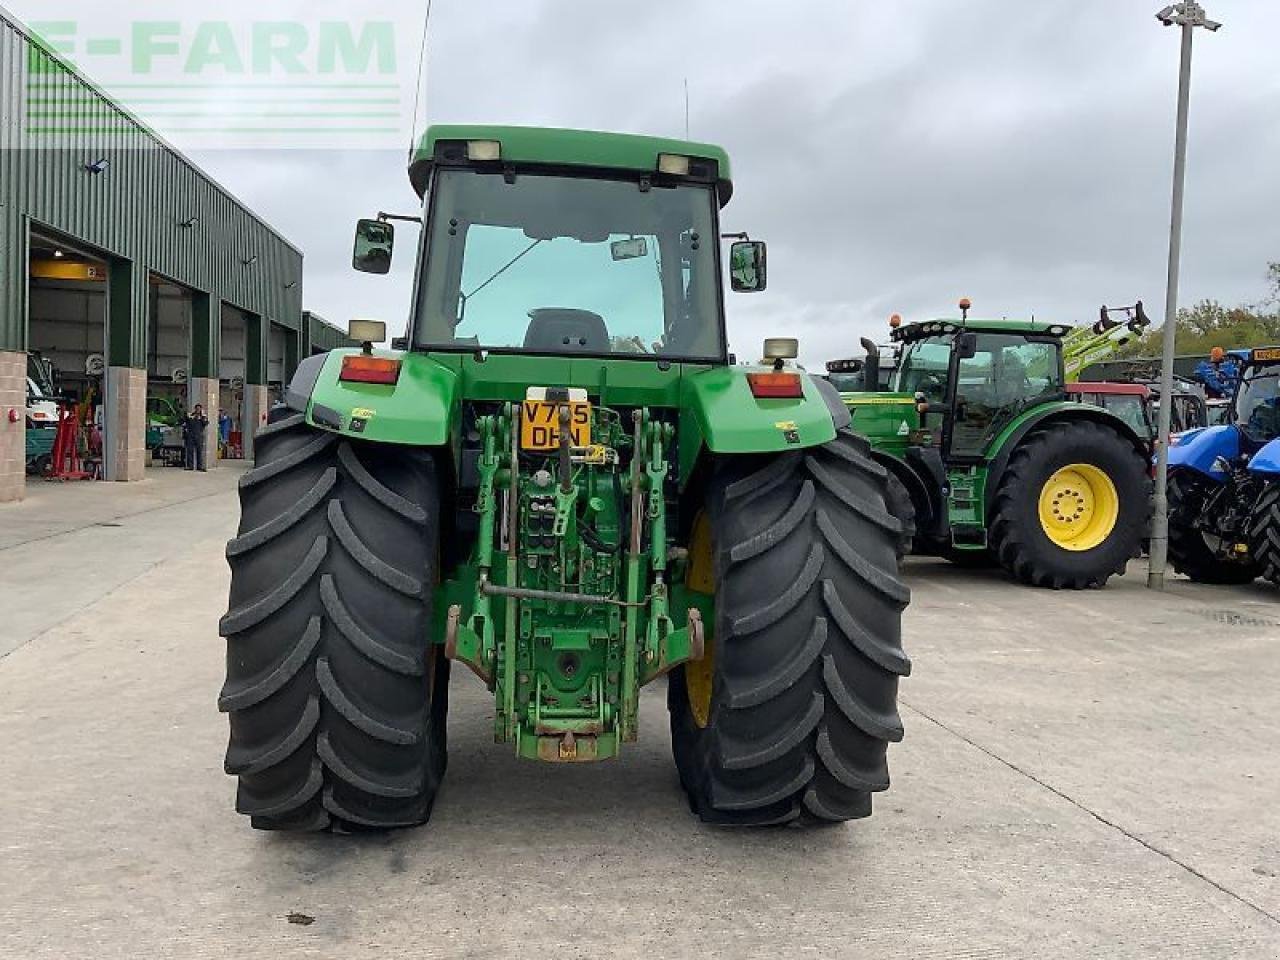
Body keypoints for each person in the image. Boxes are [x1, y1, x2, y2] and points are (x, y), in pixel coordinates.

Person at [182, 404, 209, 472]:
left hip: (199, 436)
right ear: (195, 409)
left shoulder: (203, 416)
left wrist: (201, 417)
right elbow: (184, 421)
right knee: (190, 451)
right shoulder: (191, 415)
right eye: (197, 408)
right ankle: (190, 466)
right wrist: (187, 416)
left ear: (201, 409)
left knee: (199, 451)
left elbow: (206, 423)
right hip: (190, 435)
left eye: (199, 409)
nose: (198, 410)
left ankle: (199, 466)